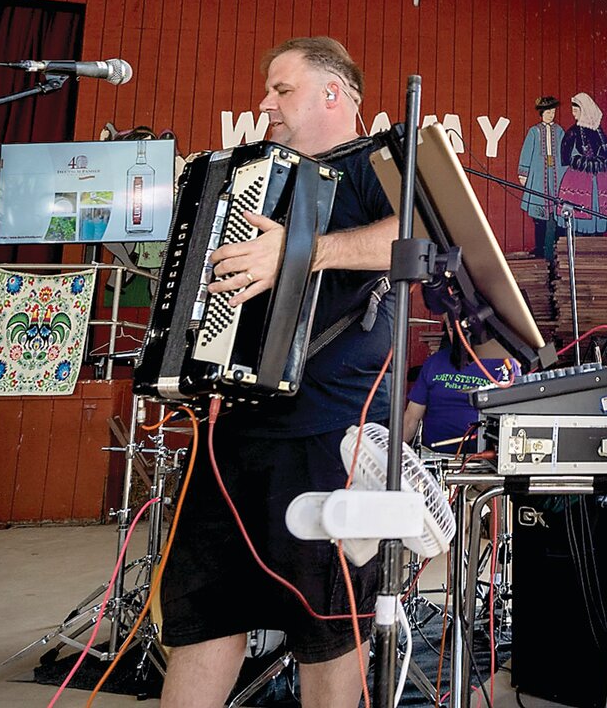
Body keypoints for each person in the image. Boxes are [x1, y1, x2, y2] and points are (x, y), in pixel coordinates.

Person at [158, 36, 397, 708]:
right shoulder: (253, 177)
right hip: (230, 431)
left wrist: (304, 251)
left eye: (281, 89)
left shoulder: (382, 161)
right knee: (204, 615)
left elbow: (423, 237)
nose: (264, 103)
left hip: (328, 433)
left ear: (334, 93)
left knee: (330, 626)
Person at [402, 323, 519, 453]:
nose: (458, 335)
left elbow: (513, 421)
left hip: (482, 459)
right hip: (433, 456)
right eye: (452, 329)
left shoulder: (504, 365)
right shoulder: (434, 362)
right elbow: (411, 418)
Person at [557, 92, 607, 235]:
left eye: (576, 110)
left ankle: (596, 236)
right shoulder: (573, 132)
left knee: (598, 207)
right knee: (579, 208)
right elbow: (564, 154)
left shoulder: (598, 131)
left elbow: (606, 150)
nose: (573, 114)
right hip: (579, 176)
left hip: (600, 175)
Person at [517, 95, 566, 260]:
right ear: (541, 113)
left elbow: (565, 153)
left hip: (557, 175)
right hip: (538, 176)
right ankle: (540, 249)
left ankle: (558, 249)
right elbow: (526, 153)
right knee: (539, 216)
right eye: (548, 112)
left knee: (558, 213)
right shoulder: (534, 131)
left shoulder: (559, 131)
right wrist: (524, 173)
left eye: (553, 111)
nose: (551, 114)